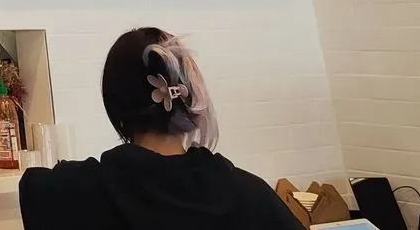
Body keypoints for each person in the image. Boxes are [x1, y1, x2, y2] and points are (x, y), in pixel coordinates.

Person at [19, 27, 303, 230]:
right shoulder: (249, 195)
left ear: (115, 105)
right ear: (190, 97)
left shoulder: (68, 192)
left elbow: (33, 185)